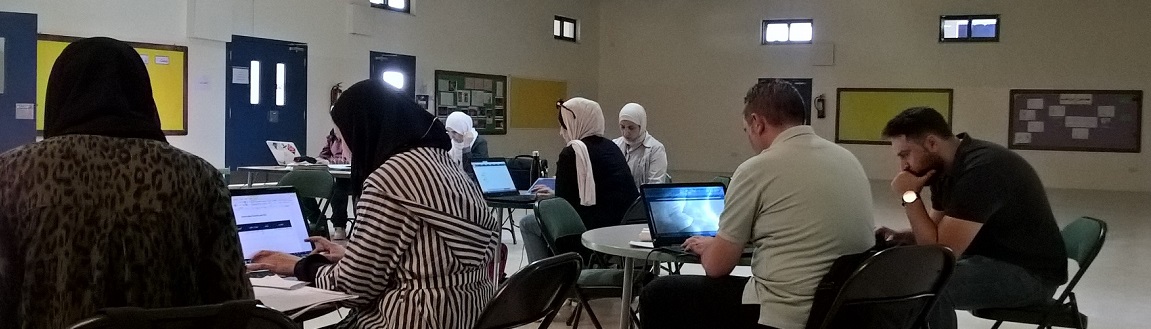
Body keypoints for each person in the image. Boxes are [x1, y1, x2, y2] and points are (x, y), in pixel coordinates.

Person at [0, 37, 252, 329]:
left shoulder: (13, 174)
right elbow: (236, 302)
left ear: (58, 94)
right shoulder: (200, 177)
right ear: (143, 95)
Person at [249, 79, 500, 329]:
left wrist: (297, 265)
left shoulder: (390, 178)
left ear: (363, 130)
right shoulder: (441, 163)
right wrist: (354, 256)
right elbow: (432, 256)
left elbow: (354, 286)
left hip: (415, 316)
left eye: (343, 136)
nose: (345, 151)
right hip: (466, 311)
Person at [640, 80, 875, 329]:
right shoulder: (848, 159)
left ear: (757, 123)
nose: (749, 138)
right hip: (843, 312)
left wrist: (711, 247)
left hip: (786, 315)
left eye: (746, 130)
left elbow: (716, 267)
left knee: (659, 293)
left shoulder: (756, 169)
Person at [877, 107, 1067, 329]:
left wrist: (909, 196)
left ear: (931, 143)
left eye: (905, 154)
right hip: (990, 260)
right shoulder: (943, 170)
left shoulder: (983, 169)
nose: (903, 166)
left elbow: (940, 251)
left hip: (1031, 276)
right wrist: (901, 238)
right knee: (909, 273)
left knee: (927, 286)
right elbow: (934, 234)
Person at [519, 97, 639, 262]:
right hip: (622, 228)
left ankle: (544, 279)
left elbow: (563, 205)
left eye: (564, 126)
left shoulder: (572, 153)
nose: (561, 132)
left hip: (588, 230)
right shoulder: (612, 147)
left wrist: (552, 199)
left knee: (527, 223)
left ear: (575, 124)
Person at [613, 103, 669, 187]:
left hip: (643, 198)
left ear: (641, 126)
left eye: (631, 128)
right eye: (622, 127)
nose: (626, 132)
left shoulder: (655, 149)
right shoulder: (615, 145)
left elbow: (655, 185)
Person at [316, 126, 352, 240]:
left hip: (353, 178)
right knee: (301, 183)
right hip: (334, 174)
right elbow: (323, 155)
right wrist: (317, 160)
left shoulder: (354, 134)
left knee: (338, 188)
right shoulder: (332, 136)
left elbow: (351, 159)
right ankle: (317, 222)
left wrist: (330, 161)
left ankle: (339, 226)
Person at [445, 111, 489, 176]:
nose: (451, 137)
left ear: (464, 129)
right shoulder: (449, 143)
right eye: (448, 131)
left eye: (454, 132)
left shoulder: (479, 143)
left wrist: (466, 148)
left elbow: (474, 171)